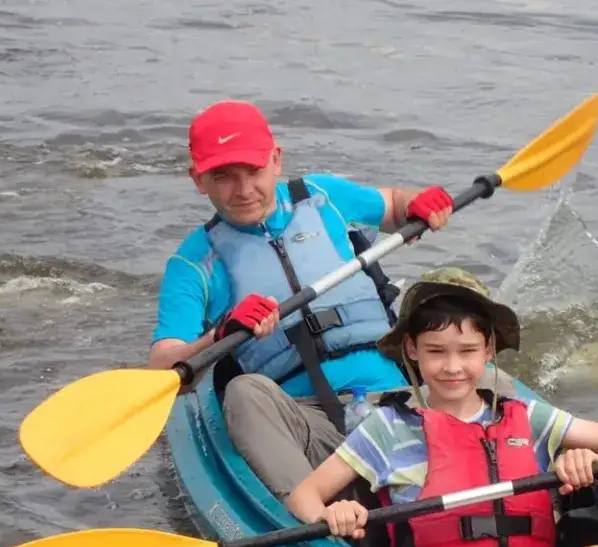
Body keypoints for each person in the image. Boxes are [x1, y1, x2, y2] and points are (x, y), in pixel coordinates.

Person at [148, 99, 456, 499]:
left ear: (276, 159)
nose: (243, 191)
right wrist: (221, 334)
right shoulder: (193, 263)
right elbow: (161, 370)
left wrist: (420, 203)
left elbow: (395, 205)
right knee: (244, 394)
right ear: (197, 179)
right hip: (307, 429)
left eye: (254, 171)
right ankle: (310, 512)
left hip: (403, 400)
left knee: (466, 338)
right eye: (222, 176)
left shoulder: (322, 196)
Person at [286, 268, 598, 547]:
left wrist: (590, 462)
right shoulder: (388, 429)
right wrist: (331, 516)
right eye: (436, 352)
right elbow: (304, 494)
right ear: (412, 350)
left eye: (468, 351)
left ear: (489, 350)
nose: (453, 367)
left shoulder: (531, 418)